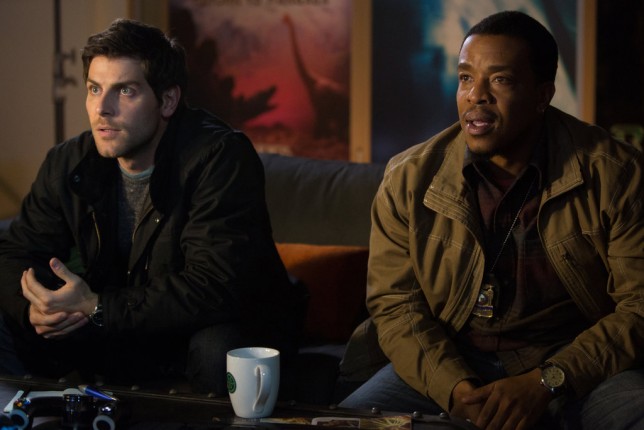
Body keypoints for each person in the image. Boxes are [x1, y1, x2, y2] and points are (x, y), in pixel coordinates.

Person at [340, 10, 644, 430]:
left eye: (500, 80)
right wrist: (456, 391)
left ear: (542, 95)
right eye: (466, 78)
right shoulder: (408, 178)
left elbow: (638, 306)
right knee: (347, 422)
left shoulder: (615, 173)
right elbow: (396, 306)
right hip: (454, 359)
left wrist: (548, 381)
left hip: (574, 364)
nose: (476, 96)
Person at [0, 19, 302, 395]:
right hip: (113, 329)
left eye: (125, 90)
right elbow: (16, 252)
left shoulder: (220, 157)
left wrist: (98, 308)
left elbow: (213, 286)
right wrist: (34, 306)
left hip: (192, 329)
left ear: (168, 101)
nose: (102, 109)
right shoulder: (68, 161)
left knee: (218, 349)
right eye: (94, 89)